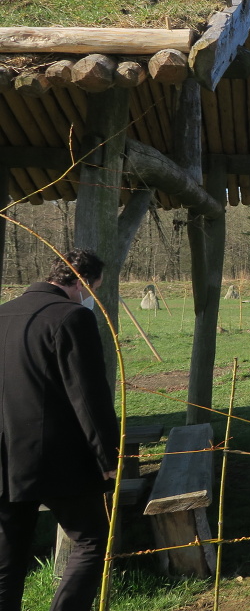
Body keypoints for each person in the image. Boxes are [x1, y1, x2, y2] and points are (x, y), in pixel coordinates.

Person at [0, 249, 119, 611]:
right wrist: (109, 456)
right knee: (92, 539)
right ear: (82, 281)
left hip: (4, 457)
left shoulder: (2, 313)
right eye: (93, 289)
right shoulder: (71, 317)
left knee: (8, 554)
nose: (91, 298)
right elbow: (88, 396)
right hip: (55, 457)